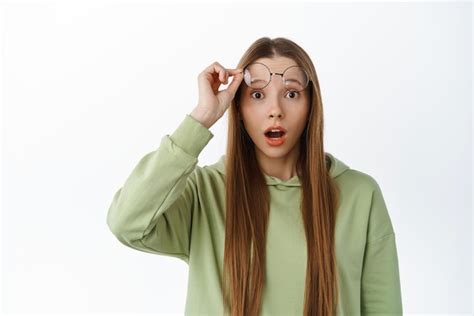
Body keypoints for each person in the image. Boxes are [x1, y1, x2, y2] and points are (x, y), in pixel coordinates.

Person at [106, 36, 403, 316]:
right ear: (239, 107)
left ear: (312, 105)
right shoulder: (204, 193)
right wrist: (202, 117)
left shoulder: (360, 195)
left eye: (291, 93)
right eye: (258, 94)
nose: (275, 110)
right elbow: (127, 222)